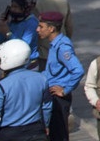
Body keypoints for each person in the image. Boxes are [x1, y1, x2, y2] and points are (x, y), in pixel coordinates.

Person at [0, 37, 52, 141]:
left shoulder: (1, 85)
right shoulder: (42, 79)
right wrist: (45, 125)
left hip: (9, 134)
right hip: (36, 131)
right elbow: (47, 107)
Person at [35, 10, 84, 141]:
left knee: (59, 135)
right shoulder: (55, 44)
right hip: (52, 95)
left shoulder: (62, 47)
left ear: (51, 29)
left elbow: (78, 70)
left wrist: (65, 90)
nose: (37, 29)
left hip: (58, 98)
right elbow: (51, 71)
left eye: (41, 26)